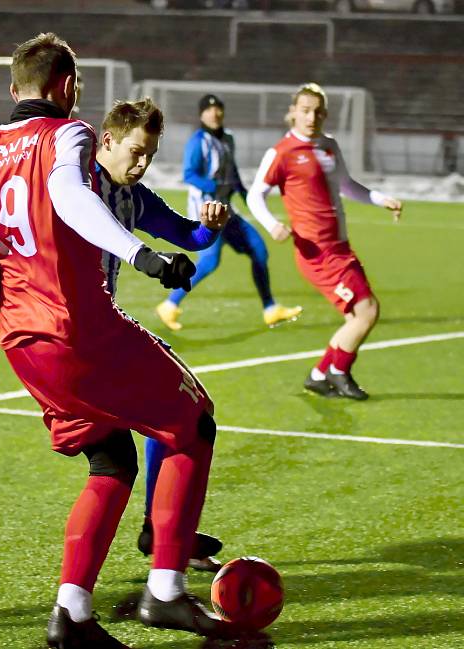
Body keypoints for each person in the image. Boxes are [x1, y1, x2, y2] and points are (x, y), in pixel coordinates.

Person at [0, 33, 242, 647]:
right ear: (67, 87)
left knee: (111, 459)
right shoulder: (69, 134)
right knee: (194, 423)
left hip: (21, 342)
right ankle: (165, 591)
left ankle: (72, 614)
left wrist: (0, 264)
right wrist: (143, 257)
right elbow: (66, 195)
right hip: (77, 326)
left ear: (14, 89)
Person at [93, 97, 229, 572]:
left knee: (180, 413)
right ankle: (162, 547)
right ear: (107, 140)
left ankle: (161, 533)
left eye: (150, 154)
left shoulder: (134, 195)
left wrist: (209, 228)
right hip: (77, 334)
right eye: (135, 151)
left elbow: (184, 233)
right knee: (182, 416)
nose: (142, 163)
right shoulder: (76, 184)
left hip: (105, 326)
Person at [246, 83, 402, 400]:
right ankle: (339, 371)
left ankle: (319, 375)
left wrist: (380, 199)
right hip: (317, 253)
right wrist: (272, 224)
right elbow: (255, 195)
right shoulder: (282, 152)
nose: (311, 116)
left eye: (317, 111)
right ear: (293, 113)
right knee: (367, 311)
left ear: (325, 114)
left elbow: (346, 186)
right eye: (305, 110)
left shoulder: (329, 146)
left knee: (355, 318)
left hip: (339, 247)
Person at [155, 93, 303, 331]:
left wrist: (246, 194)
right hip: (206, 214)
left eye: (218, 109)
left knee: (259, 250)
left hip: (227, 212)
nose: (214, 113)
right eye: (209, 110)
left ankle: (270, 309)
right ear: (202, 114)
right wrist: (215, 187)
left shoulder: (228, 139)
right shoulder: (198, 141)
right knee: (210, 261)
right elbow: (189, 174)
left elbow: (231, 171)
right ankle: (170, 304)